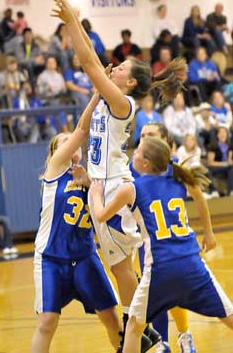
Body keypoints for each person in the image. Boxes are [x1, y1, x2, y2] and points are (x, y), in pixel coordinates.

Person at [51, 0, 187, 352]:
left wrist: (72, 22)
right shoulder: (108, 101)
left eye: (123, 67)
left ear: (128, 83)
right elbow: (93, 64)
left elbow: (90, 65)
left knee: (121, 267)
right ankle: (145, 330)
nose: (116, 66)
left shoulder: (122, 102)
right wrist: (87, 174)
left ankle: (145, 332)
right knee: (121, 265)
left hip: (112, 188)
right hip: (103, 182)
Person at [90, 136, 233, 353]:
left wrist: (95, 194)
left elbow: (100, 215)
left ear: (145, 163)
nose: (133, 153)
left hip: (161, 267)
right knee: (228, 316)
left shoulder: (132, 189)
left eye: (137, 151)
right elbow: (201, 199)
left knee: (134, 327)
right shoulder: (179, 180)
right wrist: (208, 232)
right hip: (191, 262)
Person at [31, 93, 122, 353]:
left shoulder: (93, 179)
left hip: (85, 257)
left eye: (74, 146)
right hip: (51, 258)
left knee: (111, 318)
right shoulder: (54, 172)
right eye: (65, 144)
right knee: (47, 321)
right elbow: (82, 130)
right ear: (55, 154)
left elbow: (106, 214)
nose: (72, 149)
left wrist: (91, 185)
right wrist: (97, 94)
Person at [132, 123, 198, 353]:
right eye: (141, 135)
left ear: (163, 140)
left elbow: (197, 192)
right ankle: (163, 342)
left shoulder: (175, 167)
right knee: (154, 292)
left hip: (173, 239)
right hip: (145, 240)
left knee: (176, 290)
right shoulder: (134, 166)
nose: (145, 139)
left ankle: (185, 334)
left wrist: (208, 231)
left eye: (151, 135)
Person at [207, 126, 233, 196]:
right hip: (216, 168)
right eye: (220, 132)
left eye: (224, 132)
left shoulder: (230, 145)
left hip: (227, 168)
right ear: (217, 135)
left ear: (227, 135)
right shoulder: (213, 145)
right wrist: (224, 164)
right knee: (207, 169)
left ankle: (230, 192)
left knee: (232, 169)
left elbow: (230, 160)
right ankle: (213, 191)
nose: (222, 134)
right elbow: (210, 162)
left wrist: (230, 162)